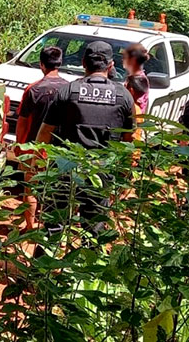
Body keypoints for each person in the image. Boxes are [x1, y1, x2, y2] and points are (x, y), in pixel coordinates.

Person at [34, 41, 135, 234]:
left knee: (53, 228)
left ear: (83, 63)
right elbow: (129, 142)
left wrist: (36, 164)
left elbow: (45, 133)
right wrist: (125, 176)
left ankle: (44, 262)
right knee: (94, 231)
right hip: (101, 173)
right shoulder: (124, 96)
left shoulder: (67, 91)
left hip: (64, 170)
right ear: (111, 65)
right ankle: (89, 261)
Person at [15, 46, 68, 231]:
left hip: (34, 147)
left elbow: (22, 121)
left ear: (41, 64)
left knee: (30, 188)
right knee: (58, 191)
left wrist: (19, 145)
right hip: (60, 150)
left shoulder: (33, 89)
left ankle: (30, 227)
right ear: (59, 63)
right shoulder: (69, 89)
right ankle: (56, 228)